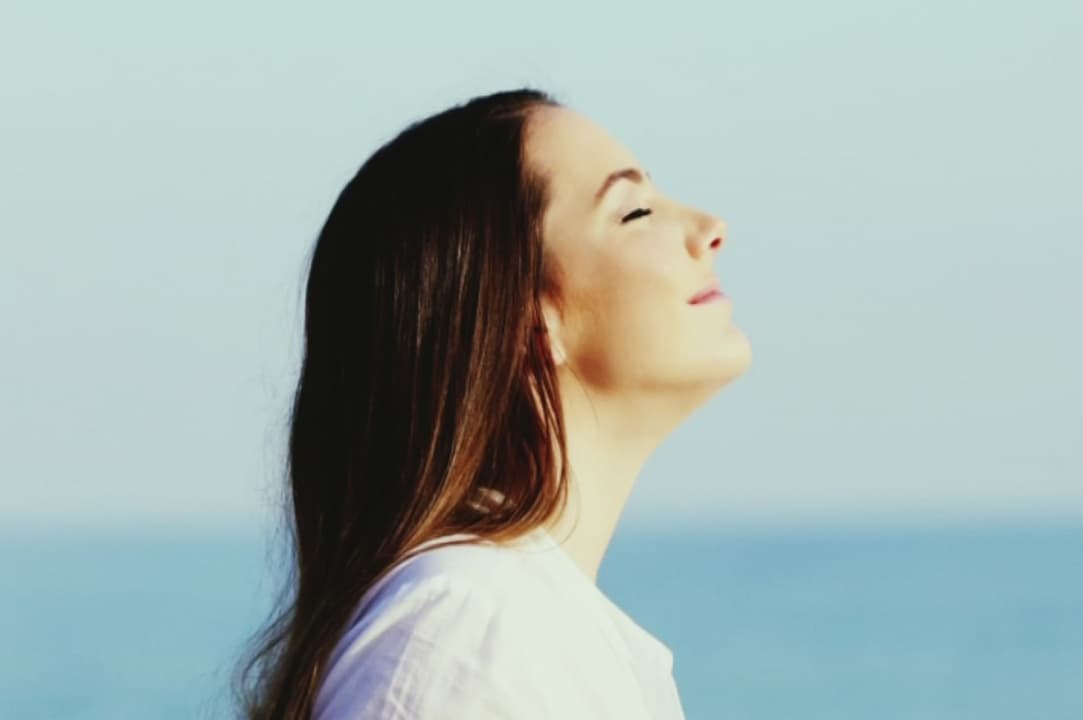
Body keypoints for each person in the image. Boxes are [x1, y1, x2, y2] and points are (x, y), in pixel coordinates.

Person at [233, 87, 752, 719]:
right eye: (635, 212)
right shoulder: (467, 634)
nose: (710, 229)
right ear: (527, 320)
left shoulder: (508, 625)